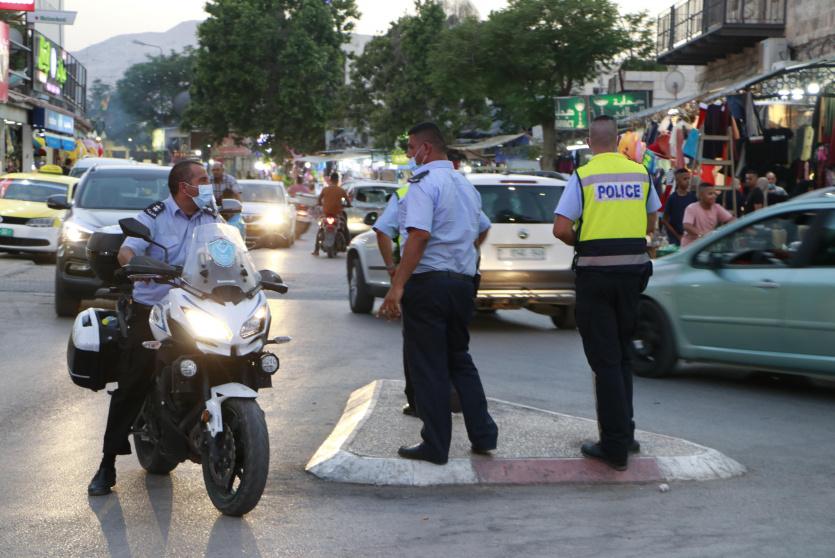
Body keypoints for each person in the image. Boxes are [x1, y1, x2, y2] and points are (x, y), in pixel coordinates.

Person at [87, 160, 223, 496]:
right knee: (134, 380)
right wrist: (138, 266)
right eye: (203, 180)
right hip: (153, 309)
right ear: (183, 186)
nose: (208, 186)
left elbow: (229, 250)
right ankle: (107, 464)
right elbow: (127, 251)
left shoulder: (210, 216)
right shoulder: (155, 215)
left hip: (197, 306)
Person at [378, 122, 497, 465]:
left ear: (425, 149)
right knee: (459, 358)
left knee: (428, 366)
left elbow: (418, 236)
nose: (408, 154)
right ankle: (484, 434)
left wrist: (397, 287)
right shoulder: (466, 186)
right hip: (462, 283)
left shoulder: (422, 185)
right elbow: (479, 232)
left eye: (411, 147)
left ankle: (435, 445)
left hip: (429, 284)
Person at [553, 115, 661, 471]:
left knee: (606, 362)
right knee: (623, 357)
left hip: (596, 278)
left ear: (589, 142)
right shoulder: (640, 173)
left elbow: (561, 228)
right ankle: (626, 435)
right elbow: (652, 222)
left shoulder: (583, 176)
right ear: (617, 140)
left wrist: (585, 241)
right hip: (633, 276)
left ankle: (613, 447)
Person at [373, 185, 462, 417]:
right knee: (456, 345)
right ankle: (466, 410)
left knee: (418, 345)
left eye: (412, 149)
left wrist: (395, 273)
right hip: (461, 277)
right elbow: (483, 226)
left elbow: (384, 230)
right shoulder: (461, 187)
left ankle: (420, 403)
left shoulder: (409, 192)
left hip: (422, 277)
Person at [681, 183, 736, 248]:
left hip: (706, 245)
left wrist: (724, 231)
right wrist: (702, 235)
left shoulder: (716, 207)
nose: (714, 196)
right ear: (700, 196)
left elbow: (731, 219)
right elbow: (687, 226)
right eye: (710, 194)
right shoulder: (691, 208)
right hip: (690, 246)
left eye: (714, 194)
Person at [312, 171, 350, 256]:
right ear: (337, 180)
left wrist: (320, 203)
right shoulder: (341, 190)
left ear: (330, 180)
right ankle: (347, 245)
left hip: (326, 214)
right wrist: (348, 205)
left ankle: (316, 250)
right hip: (337, 215)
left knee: (320, 229)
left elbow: (319, 200)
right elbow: (348, 202)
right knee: (345, 227)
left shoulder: (325, 189)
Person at [660, 168, 697, 246]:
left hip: (690, 237)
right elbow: (664, 220)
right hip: (675, 239)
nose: (687, 181)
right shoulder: (672, 198)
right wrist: (677, 236)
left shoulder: (693, 198)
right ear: (677, 181)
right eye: (685, 179)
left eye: (688, 179)